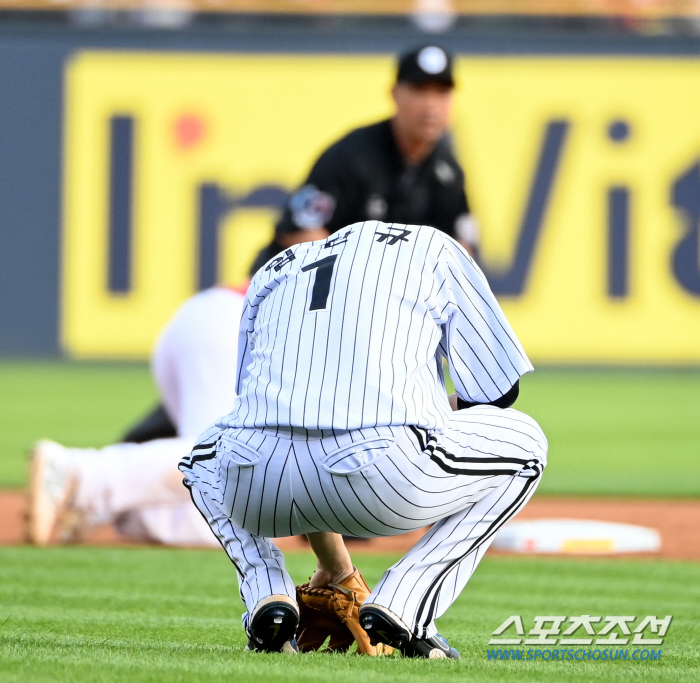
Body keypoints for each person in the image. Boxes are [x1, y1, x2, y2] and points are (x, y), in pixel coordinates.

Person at [179, 220, 548, 657]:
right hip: (382, 480)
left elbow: (283, 413)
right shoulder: (435, 246)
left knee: (201, 455)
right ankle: (404, 607)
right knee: (527, 444)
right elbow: (495, 394)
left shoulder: (277, 266)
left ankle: (267, 595)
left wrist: (335, 565)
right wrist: (423, 407)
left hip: (256, 485)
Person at [28, 285, 246, 547]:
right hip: (242, 322)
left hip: (214, 319)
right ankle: (78, 474)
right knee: (233, 454)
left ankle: (117, 506)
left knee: (235, 525)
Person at [257, 44, 479, 268]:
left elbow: (461, 251)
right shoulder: (352, 156)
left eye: (441, 93)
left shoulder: (447, 173)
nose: (431, 105)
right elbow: (299, 232)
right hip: (294, 290)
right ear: (395, 94)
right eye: (419, 90)